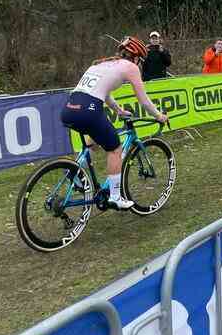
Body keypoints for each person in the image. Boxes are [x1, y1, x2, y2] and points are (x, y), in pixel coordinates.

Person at [61, 36, 169, 209]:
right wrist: (159, 116)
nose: (139, 64)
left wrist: (118, 110)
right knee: (115, 148)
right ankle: (115, 196)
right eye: (140, 60)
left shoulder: (99, 64)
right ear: (136, 57)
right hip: (88, 109)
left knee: (94, 139)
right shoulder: (131, 67)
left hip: (68, 108)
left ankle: (73, 170)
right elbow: (143, 100)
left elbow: (104, 92)